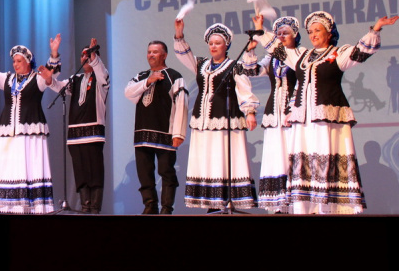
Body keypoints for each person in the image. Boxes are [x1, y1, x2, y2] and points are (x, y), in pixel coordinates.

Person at [252, 10, 399, 214]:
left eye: (317, 30)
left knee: (326, 157)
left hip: (327, 119)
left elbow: (361, 52)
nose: (313, 35)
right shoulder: (301, 56)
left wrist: (375, 29)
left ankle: (327, 209)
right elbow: (278, 49)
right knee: (304, 163)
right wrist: (260, 31)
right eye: (310, 31)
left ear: (329, 33)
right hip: (304, 122)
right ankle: (306, 208)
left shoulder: (338, 54)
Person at [0, 35, 61, 214]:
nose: (15, 64)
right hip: (8, 132)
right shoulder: (7, 79)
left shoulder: (37, 79)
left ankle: (33, 207)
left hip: (30, 132)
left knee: (30, 167)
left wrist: (54, 53)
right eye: (14, 61)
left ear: (28, 62)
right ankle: (10, 208)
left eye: (19, 61)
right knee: (10, 168)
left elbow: (51, 74)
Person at [174, 19, 259, 211]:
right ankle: (212, 202)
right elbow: (184, 55)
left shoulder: (235, 65)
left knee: (223, 158)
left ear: (226, 45)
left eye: (217, 43)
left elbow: (244, 89)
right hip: (203, 121)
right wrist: (179, 34)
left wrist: (250, 112)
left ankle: (227, 200)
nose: (213, 46)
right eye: (211, 43)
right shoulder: (201, 64)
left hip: (226, 120)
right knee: (207, 159)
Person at [240, 16, 300, 214]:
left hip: (294, 113)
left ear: (295, 35)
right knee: (276, 154)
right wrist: (250, 50)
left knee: (293, 154)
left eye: (285, 33)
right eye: (278, 33)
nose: (281, 36)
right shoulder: (272, 59)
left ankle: (297, 202)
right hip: (274, 113)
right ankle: (278, 205)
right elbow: (252, 71)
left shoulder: (300, 55)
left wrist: (260, 30)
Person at [124, 41, 188, 214]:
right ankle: (150, 206)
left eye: (155, 52)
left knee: (166, 172)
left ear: (164, 55)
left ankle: (166, 208)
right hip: (142, 134)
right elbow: (128, 92)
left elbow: (182, 105)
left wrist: (179, 133)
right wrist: (148, 81)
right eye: (149, 52)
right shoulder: (142, 76)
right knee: (144, 174)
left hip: (165, 133)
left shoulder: (174, 76)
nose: (151, 55)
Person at [52, 37, 109, 214]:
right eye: (83, 55)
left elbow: (101, 71)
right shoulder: (75, 79)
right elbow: (59, 87)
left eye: (89, 55)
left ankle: (95, 208)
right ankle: (85, 206)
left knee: (95, 171)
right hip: (75, 135)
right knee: (80, 172)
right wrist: (48, 77)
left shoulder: (102, 79)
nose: (85, 58)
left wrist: (93, 55)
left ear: (96, 57)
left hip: (93, 133)